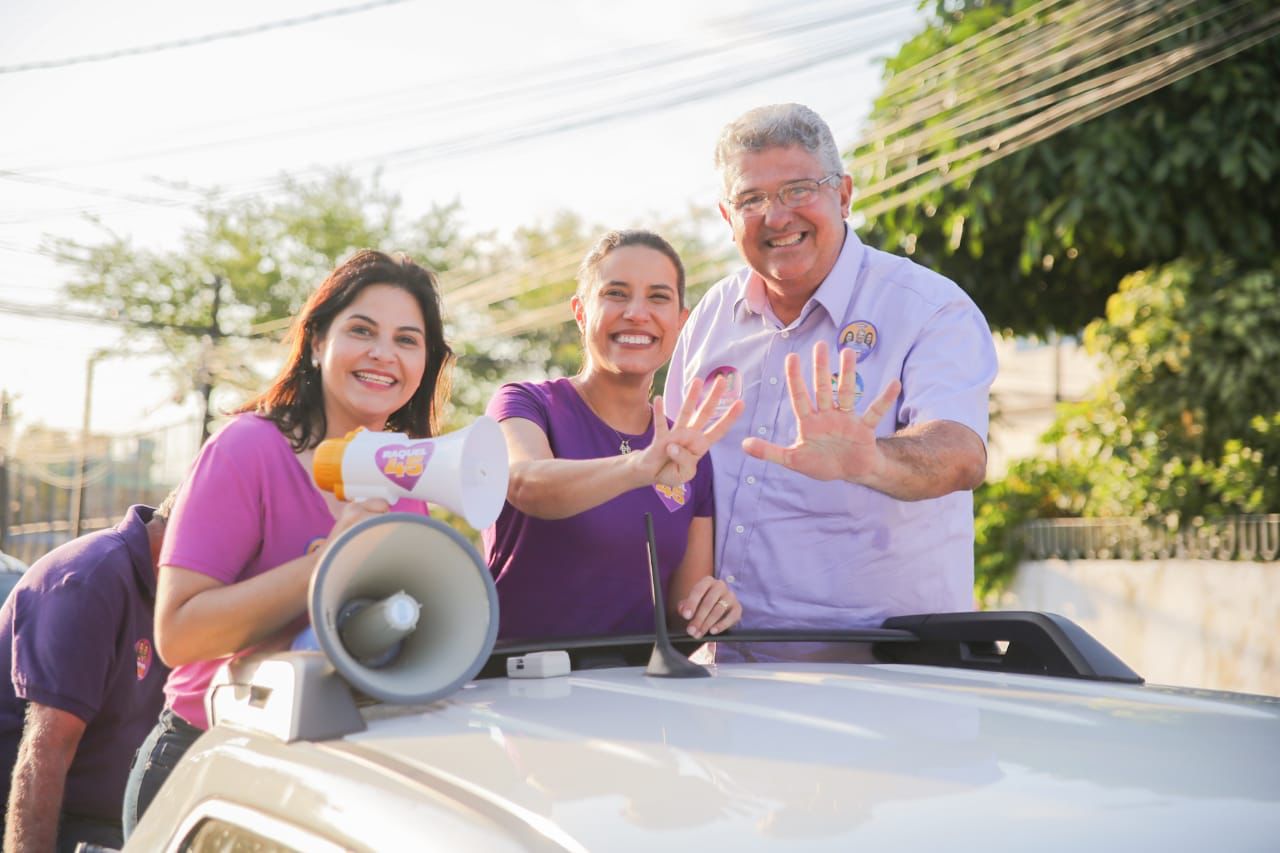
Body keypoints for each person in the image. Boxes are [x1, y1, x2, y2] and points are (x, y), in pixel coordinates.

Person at [122, 249, 453, 836]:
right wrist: (328, 562)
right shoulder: (247, 450)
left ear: (424, 364)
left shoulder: (410, 483)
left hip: (327, 769)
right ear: (318, 342)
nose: (384, 353)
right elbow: (178, 635)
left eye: (407, 340)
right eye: (361, 330)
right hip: (211, 761)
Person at [664, 103, 998, 636]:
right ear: (728, 218)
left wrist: (871, 461)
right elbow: (676, 474)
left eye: (798, 190)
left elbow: (960, 456)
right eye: (751, 200)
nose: (777, 217)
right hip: (731, 662)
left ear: (843, 196)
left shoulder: (929, 307)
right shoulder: (710, 317)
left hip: (888, 661)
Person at [485, 230, 745, 641]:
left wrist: (710, 607)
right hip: (516, 673)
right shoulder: (525, 402)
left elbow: (681, 618)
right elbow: (525, 483)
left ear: (680, 322)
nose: (637, 313)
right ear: (581, 312)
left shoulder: (687, 452)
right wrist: (638, 467)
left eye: (658, 297)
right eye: (616, 294)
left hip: (634, 679)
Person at [0, 498, 171, 853]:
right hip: (48, 821)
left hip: (116, 825)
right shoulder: (91, 579)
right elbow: (45, 751)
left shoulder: (178, 598)